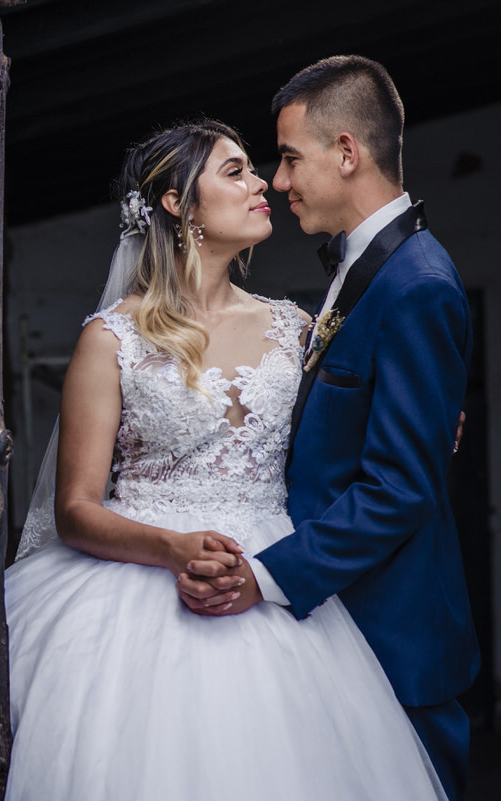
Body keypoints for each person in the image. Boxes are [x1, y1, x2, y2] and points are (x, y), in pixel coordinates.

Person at [0, 118, 449, 799]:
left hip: (269, 576)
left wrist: (439, 418)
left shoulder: (296, 328)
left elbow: (360, 427)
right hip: (134, 589)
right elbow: (75, 510)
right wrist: (173, 547)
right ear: (178, 204)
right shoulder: (111, 339)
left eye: (255, 168)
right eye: (235, 171)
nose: (262, 182)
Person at [176, 56, 479, 800]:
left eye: (287, 158)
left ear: (347, 152)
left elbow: (400, 487)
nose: (278, 182)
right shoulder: (367, 269)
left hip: (394, 637)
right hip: (333, 629)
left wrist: (267, 575)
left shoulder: (418, 285)